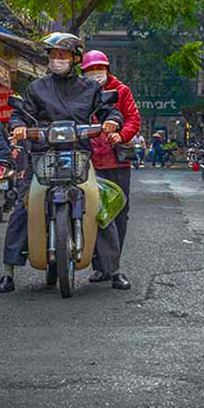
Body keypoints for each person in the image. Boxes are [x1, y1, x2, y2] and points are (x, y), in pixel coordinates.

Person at [0, 32, 123, 294]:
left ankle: (114, 270)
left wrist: (112, 121)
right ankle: (8, 271)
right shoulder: (37, 88)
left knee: (99, 203)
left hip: (79, 155)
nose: (57, 59)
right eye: (53, 55)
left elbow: (111, 110)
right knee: (23, 205)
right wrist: (19, 127)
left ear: (75, 58)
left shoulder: (91, 88)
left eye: (63, 55)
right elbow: (20, 114)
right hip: (42, 155)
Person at [81, 50, 141, 290]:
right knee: (93, 213)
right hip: (88, 161)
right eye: (91, 70)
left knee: (117, 214)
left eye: (100, 69)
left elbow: (133, 119)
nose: (96, 74)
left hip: (117, 162)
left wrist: (121, 134)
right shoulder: (78, 93)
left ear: (107, 69)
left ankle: (113, 266)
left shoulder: (122, 91)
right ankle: (99, 266)